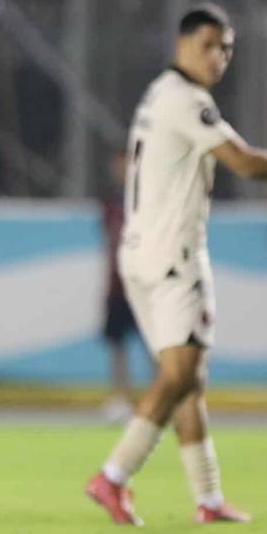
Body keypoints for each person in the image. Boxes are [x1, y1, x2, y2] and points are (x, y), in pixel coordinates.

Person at [83, 3, 267, 526]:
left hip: (138, 254)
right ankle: (113, 477)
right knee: (180, 373)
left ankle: (207, 498)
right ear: (182, 45)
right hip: (173, 258)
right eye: (208, 45)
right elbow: (244, 162)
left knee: (189, 377)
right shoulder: (188, 100)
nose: (218, 56)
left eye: (226, 47)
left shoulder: (158, 92)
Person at [100, 148, 141, 423]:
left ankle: (159, 402)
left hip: (144, 284)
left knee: (154, 346)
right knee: (118, 345)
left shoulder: (147, 200)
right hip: (117, 285)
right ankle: (121, 398)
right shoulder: (110, 203)